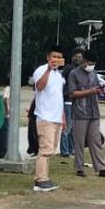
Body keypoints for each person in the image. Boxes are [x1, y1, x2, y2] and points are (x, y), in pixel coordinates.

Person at [66, 50, 105, 178]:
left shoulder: (93, 73)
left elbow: (95, 89)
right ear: (84, 61)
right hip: (80, 112)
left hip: (94, 112)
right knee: (79, 141)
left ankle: (101, 168)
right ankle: (79, 168)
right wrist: (90, 91)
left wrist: (99, 90)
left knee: (96, 140)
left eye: (94, 63)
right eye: (90, 63)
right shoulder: (74, 74)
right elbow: (72, 93)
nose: (92, 65)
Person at [30, 46, 66, 192]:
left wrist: (63, 117)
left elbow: (59, 98)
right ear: (48, 57)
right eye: (54, 56)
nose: (56, 59)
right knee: (45, 149)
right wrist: (48, 70)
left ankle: (44, 177)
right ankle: (40, 180)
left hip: (56, 117)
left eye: (59, 57)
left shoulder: (59, 76)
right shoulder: (41, 70)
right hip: (45, 117)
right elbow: (39, 86)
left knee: (51, 149)